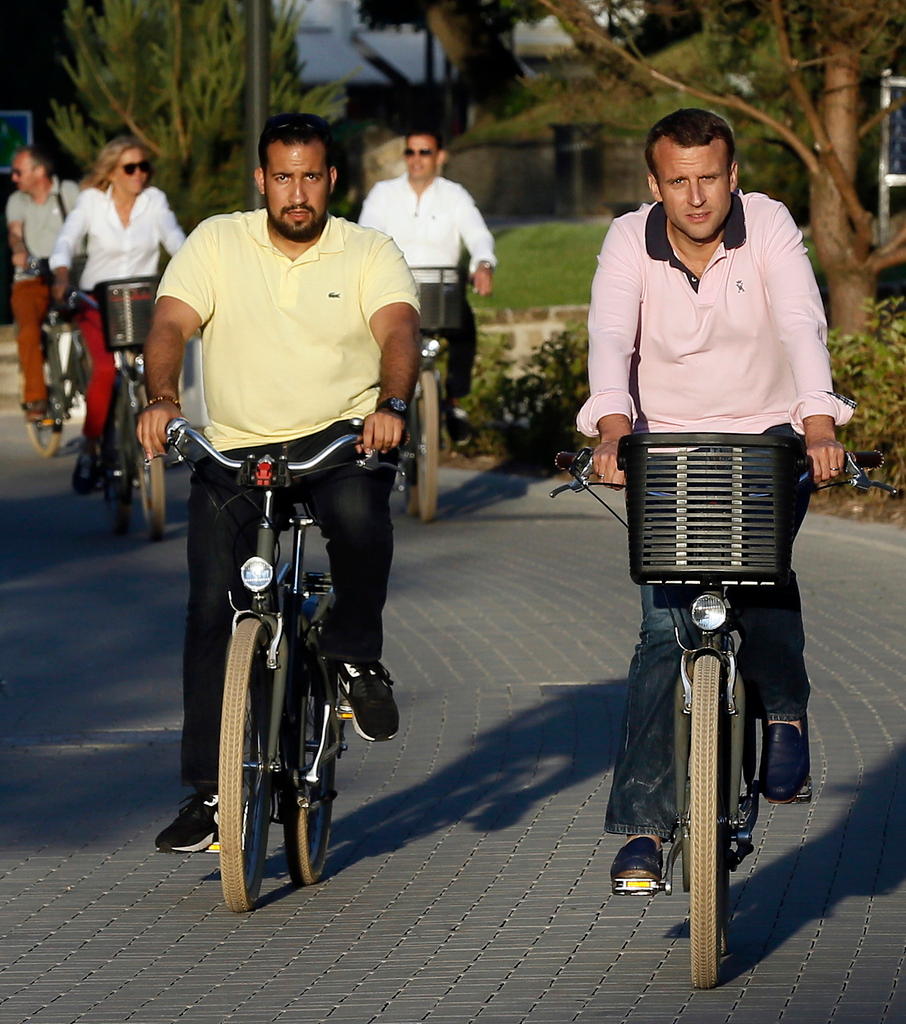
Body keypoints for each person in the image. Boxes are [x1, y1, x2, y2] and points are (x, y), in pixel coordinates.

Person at [579, 108, 855, 888]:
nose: (695, 197)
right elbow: (610, 338)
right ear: (654, 183)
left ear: (733, 176)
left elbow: (802, 321)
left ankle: (784, 709)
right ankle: (641, 827)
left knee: (758, 569)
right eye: (678, 181)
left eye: (709, 178)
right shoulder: (629, 239)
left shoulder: (767, 225)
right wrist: (610, 431)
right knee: (665, 632)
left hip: (767, 436)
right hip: (664, 448)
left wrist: (820, 424)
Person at [137, 112, 421, 854]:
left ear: (332, 179)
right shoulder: (216, 242)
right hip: (234, 452)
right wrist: (161, 398)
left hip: (338, 440)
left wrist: (391, 406)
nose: (297, 193)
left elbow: (397, 330)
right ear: (261, 179)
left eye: (311, 177)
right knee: (209, 607)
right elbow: (169, 324)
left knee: (362, 520)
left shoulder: (368, 250)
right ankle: (209, 790)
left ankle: (354, 653)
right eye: (282, 176)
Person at [49, 135, 185, 493]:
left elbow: (176, 241)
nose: (139, 175)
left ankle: (163, 434)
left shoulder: (154, 201)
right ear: (111, 171)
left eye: (144, 167)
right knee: (106, 370)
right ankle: (90, 447)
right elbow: (66, 239)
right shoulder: (92, 202)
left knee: (157, 364)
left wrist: (193, 269)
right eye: (130, 168)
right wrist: (62, 275)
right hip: (99, 299)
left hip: (142, 298)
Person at [358, 129, 496, 442]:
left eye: (425, 153)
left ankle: (454, 401)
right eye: (411, 152)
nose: (417, 160)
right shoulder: (383, 193)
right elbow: (366, 235)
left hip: (441, 291)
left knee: (465, 328)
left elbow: (478, 234)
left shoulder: (454, 194)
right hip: (396, 287)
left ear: (439, 157)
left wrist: (483, 263)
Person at [5, 146, 80, 422]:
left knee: (94, 321)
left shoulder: (68, 192)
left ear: (39, 171)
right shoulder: (17, 201)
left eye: (18, 171)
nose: (14, 178)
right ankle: (36, 397)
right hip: (32, 277)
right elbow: (15, 234)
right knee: (27, 330)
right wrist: (20, 252)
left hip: (70, 273)